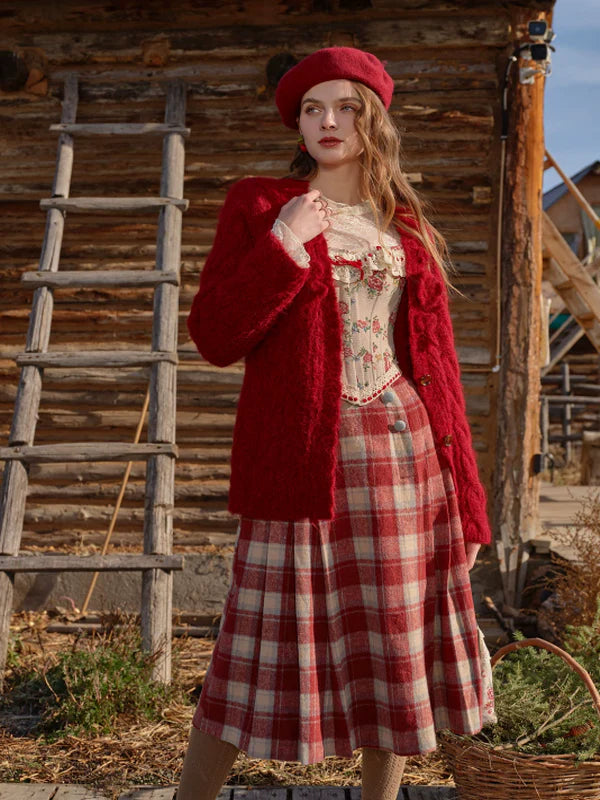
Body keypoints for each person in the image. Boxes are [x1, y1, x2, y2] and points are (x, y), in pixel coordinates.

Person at [177, 46, 494, 800]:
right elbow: (216, 335)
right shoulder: (259, 204)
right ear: (296, 119)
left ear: (372, 119)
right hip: (300, 460)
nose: (328, 121)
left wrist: (470, 503)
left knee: (396, 646)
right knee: (249, 650)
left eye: (346, 107)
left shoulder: (404, 227)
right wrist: (286, 240)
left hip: (405, 454)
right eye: (313, 108)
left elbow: (440, 373)